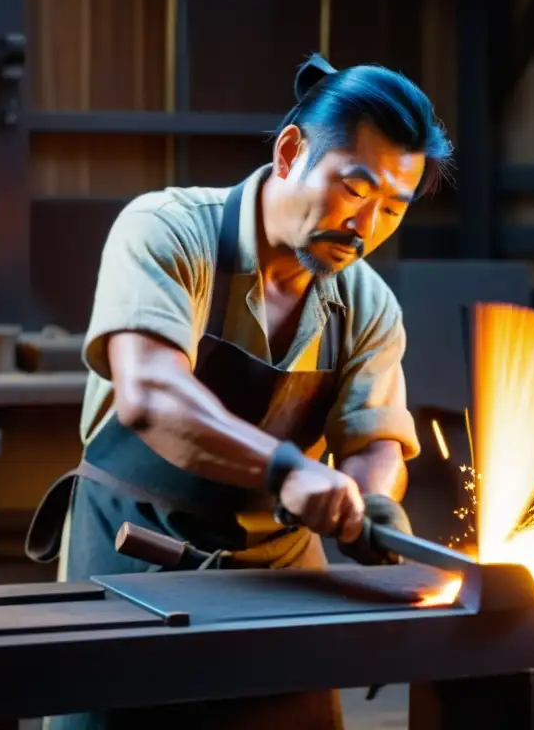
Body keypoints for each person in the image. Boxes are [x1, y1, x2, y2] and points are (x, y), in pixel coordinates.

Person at [26, 53, 453, 730]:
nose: (364, 227)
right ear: (291, 152)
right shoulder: (168, 231)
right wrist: (285, 471)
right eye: (354, 189)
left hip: (278, 572)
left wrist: (371, 499)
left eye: (391, 209)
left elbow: (373, 438)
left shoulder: (367, 304)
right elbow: (150, 395)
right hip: (132, 554)